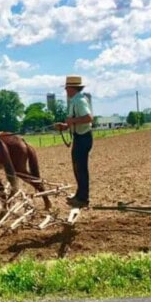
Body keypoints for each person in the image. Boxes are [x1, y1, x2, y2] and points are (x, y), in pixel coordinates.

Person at [54, 76, 93, 207]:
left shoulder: (79, 101)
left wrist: (72, 121)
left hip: (83, 137)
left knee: (81, 168)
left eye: (67, 87)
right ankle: (79, 195)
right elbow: (76, 121)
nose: (65, 89)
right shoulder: (75, 100)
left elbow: (88, 118)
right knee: (77, 168)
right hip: (79, 136)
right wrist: (65, 126)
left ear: (72, 88)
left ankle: (83, 198)